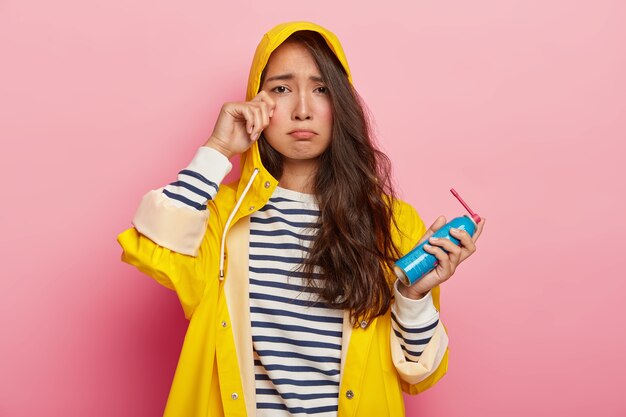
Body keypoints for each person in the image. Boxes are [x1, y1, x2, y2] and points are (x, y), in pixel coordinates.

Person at [117, 21, 485, 417]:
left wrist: (413, 297)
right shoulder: (223, 217)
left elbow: (419, 372)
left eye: (321, 89)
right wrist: (218, 148)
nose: (303, 110)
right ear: (256, 103)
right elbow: (154, 247)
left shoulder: (390, 222)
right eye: (281, 89)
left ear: (340, 104)